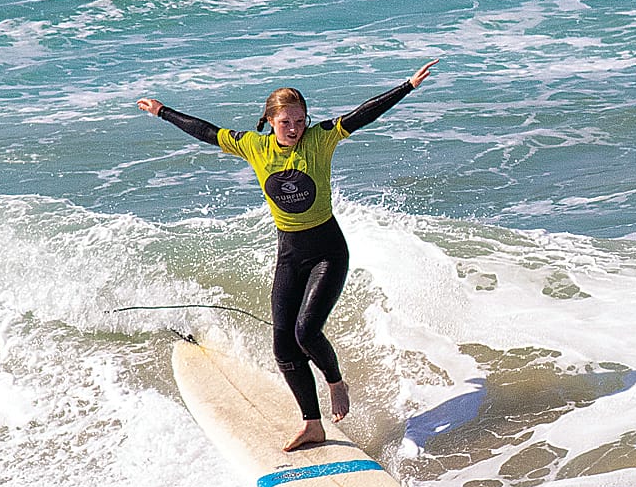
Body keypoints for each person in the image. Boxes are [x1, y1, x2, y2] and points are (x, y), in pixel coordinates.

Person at [138, 59, 439, 451]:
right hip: (290, 253)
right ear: (271, 121)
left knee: (306, 331)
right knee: (283, 345)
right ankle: (312, 424)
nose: (294, 129)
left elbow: (362, 114)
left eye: (300, 121)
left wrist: (408, 85)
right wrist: (163, 112)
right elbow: (207, 132)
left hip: (328, 252)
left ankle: (335, 382)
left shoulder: (321, 139)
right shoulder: (254, 146)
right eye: (286, 123)